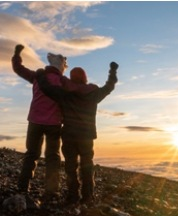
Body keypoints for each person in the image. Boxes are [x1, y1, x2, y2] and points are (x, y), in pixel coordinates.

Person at [36, 62, 118, 205]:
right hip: (86, 136)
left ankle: (72, 195)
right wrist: (112, 70)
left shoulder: (65, 93)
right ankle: (87, 196)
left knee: (70, 167)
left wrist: (41, 75)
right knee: (87, 165)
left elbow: (46, 88)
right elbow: (110, 86)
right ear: (85, 78)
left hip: (69, 135)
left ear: (71, 78)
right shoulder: (94, 93)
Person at [11, 44, 67, 200]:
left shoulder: (37, 76)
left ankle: (23, 187)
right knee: (53, 157)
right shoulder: (63, 81)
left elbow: (18, 69)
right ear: (61, 66)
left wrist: (17, 54)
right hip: (54, 124)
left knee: (31, 154)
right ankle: (51, 191)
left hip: (35, 121)